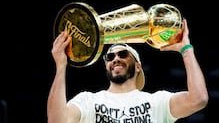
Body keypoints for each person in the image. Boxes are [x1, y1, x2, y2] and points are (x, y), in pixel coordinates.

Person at [47, 19, 208, 123]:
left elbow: (198, 99)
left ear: (138, 66)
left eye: (123, 54)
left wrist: (186, 50)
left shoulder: (157, 102)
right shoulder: (87, 100)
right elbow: (56, 121)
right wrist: (61, 66)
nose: (115, 58)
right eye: (110, 57)